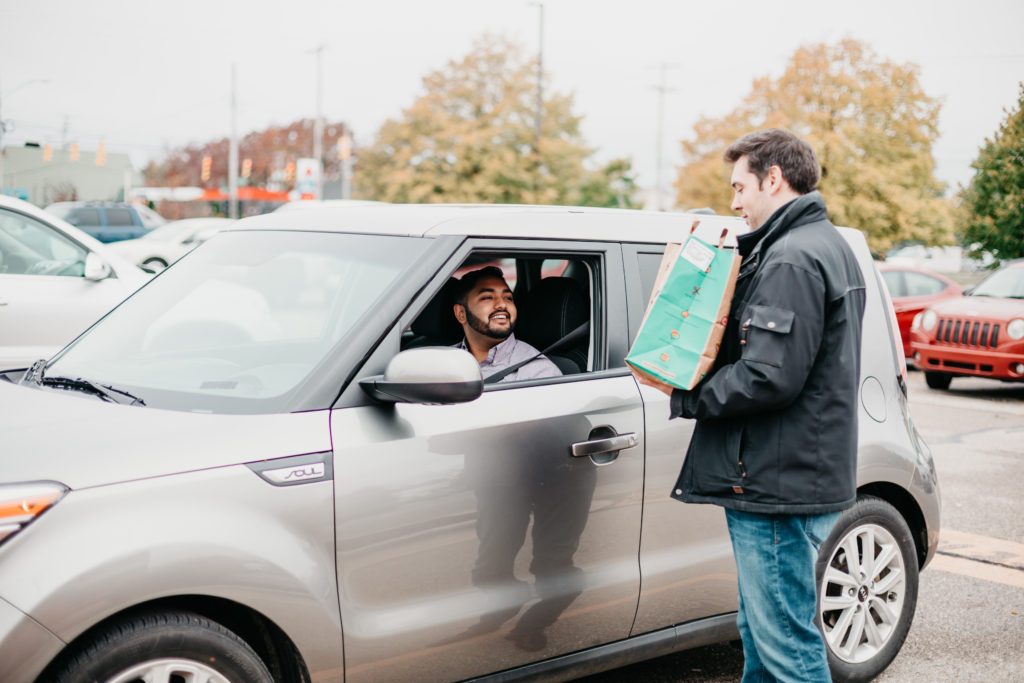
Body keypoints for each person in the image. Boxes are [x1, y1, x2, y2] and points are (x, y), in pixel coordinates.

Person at [633, 128, 866, 682]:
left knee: (787, 649)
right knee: (763, 638)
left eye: (740, 187)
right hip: (787, 476)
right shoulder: (825, 245)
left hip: (774, 486)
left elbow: (767, 376)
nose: (734, 202)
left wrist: (686, 394)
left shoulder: (791, 258)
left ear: (774, 179)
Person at [452, 266, 561, 383]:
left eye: (508, 298)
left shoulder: (538, 373)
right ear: (461, 313)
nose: (502, 304)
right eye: (488, 297)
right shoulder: (443, 361)